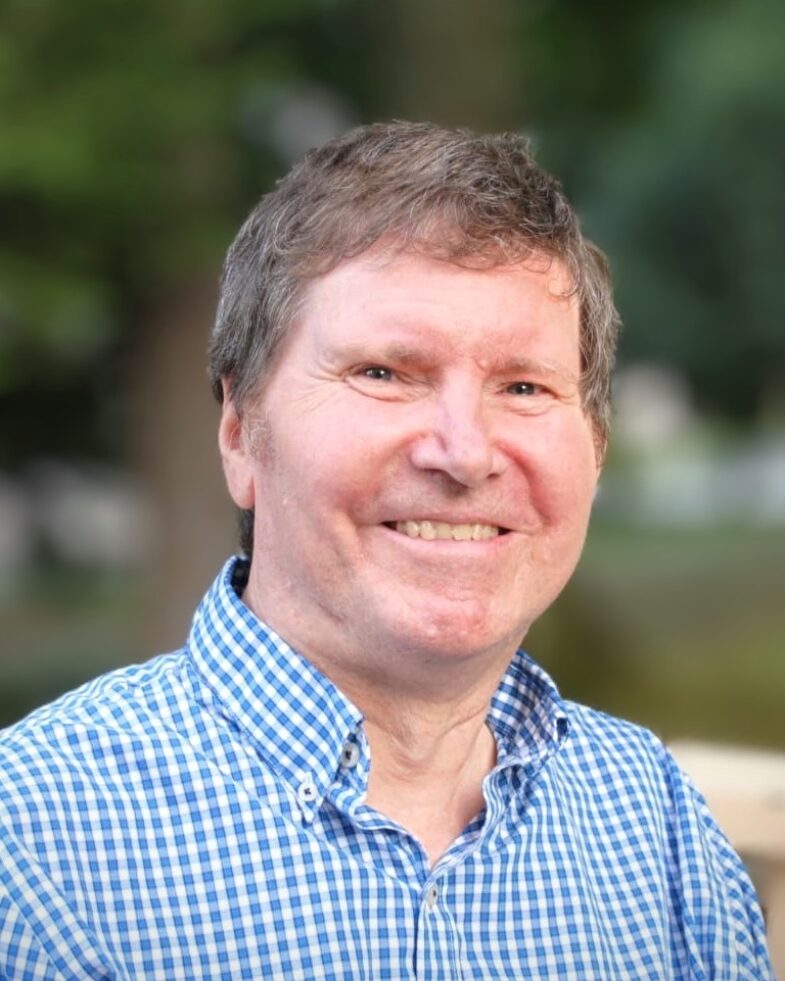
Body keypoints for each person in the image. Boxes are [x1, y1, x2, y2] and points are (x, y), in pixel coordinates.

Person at [0, 121, 772, 980]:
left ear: (593, 443)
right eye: (384, 373)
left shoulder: (651, 817)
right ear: (238, 433)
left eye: (523, 386)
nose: (463, 450)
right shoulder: (34, 846)